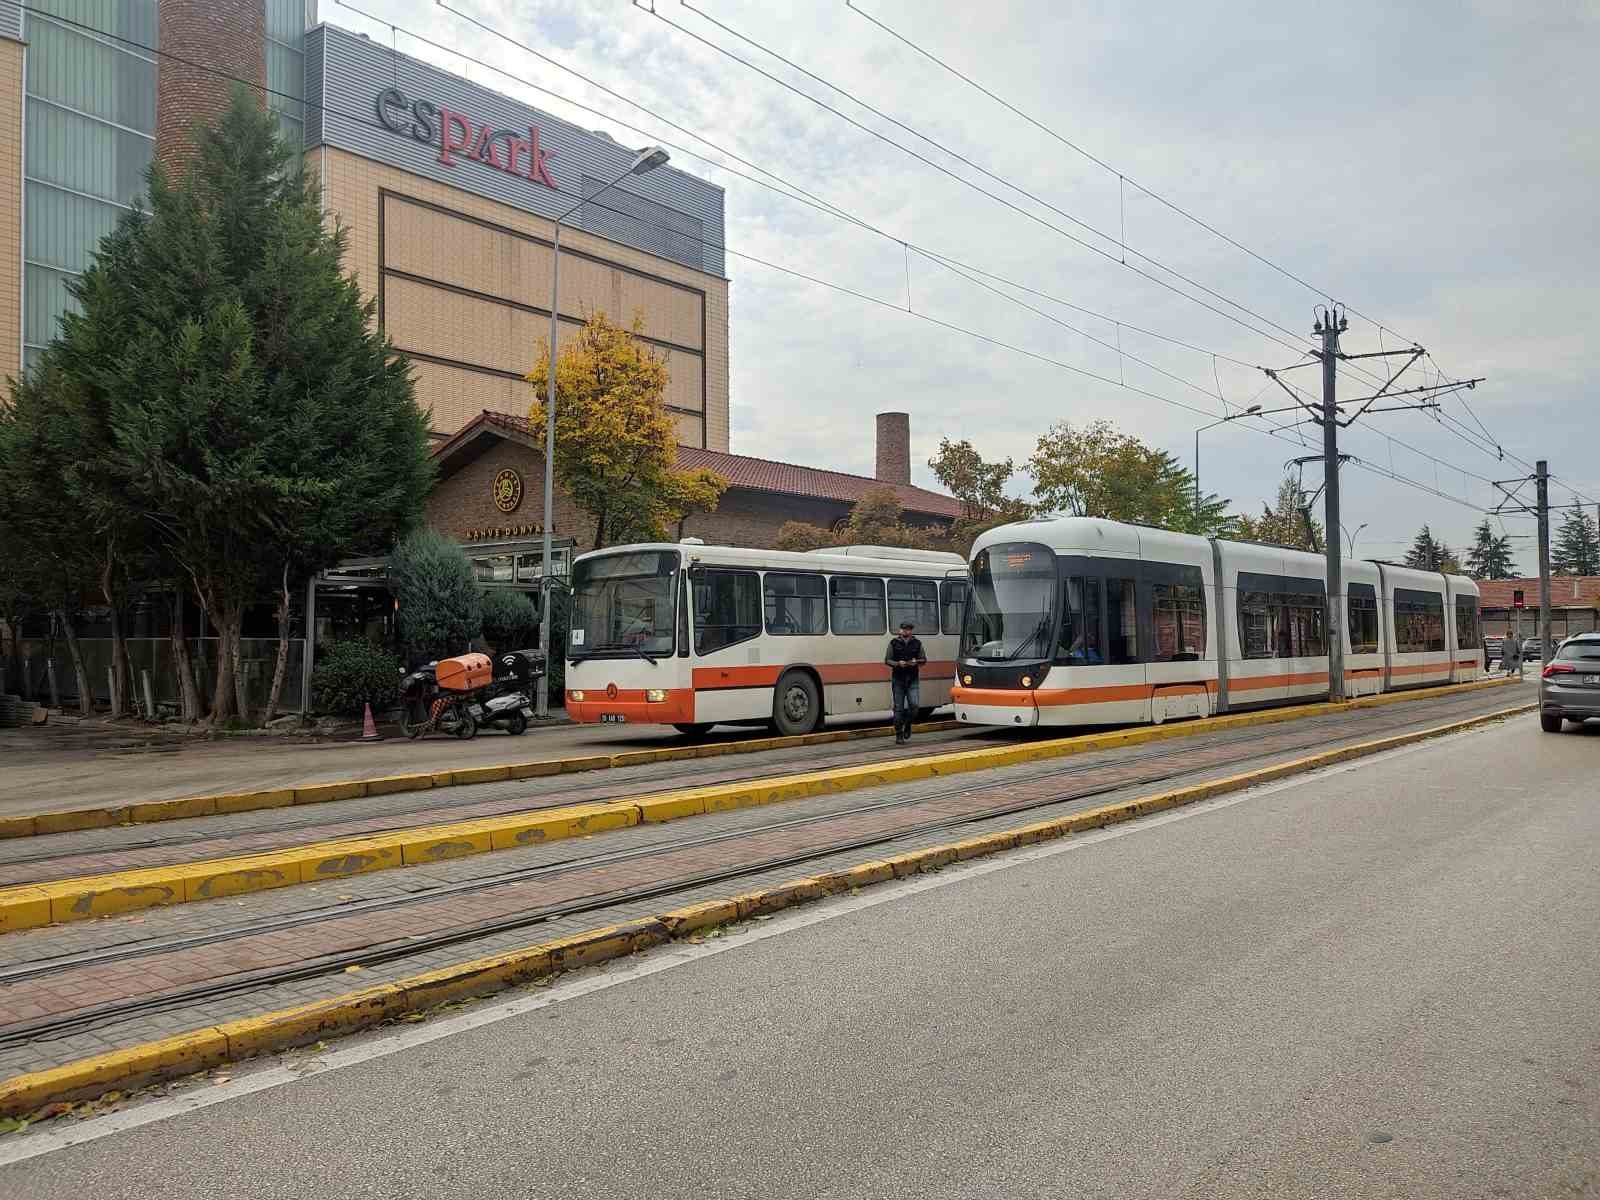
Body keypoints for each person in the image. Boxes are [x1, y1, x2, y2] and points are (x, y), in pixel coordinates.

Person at [884, 620, 927, 744]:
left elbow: (924, 660)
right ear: (900, 630)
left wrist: (916, 662)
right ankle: (899, 734)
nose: (905, 631)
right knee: (899, 709)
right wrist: (898, 664)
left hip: (913, 679)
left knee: (914, 706)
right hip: (898, 679)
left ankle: (908, 724)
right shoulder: (894, 643)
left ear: (911, 631)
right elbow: (887, 660)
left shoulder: (917, 643)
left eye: (908, 629)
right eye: (903, 629)